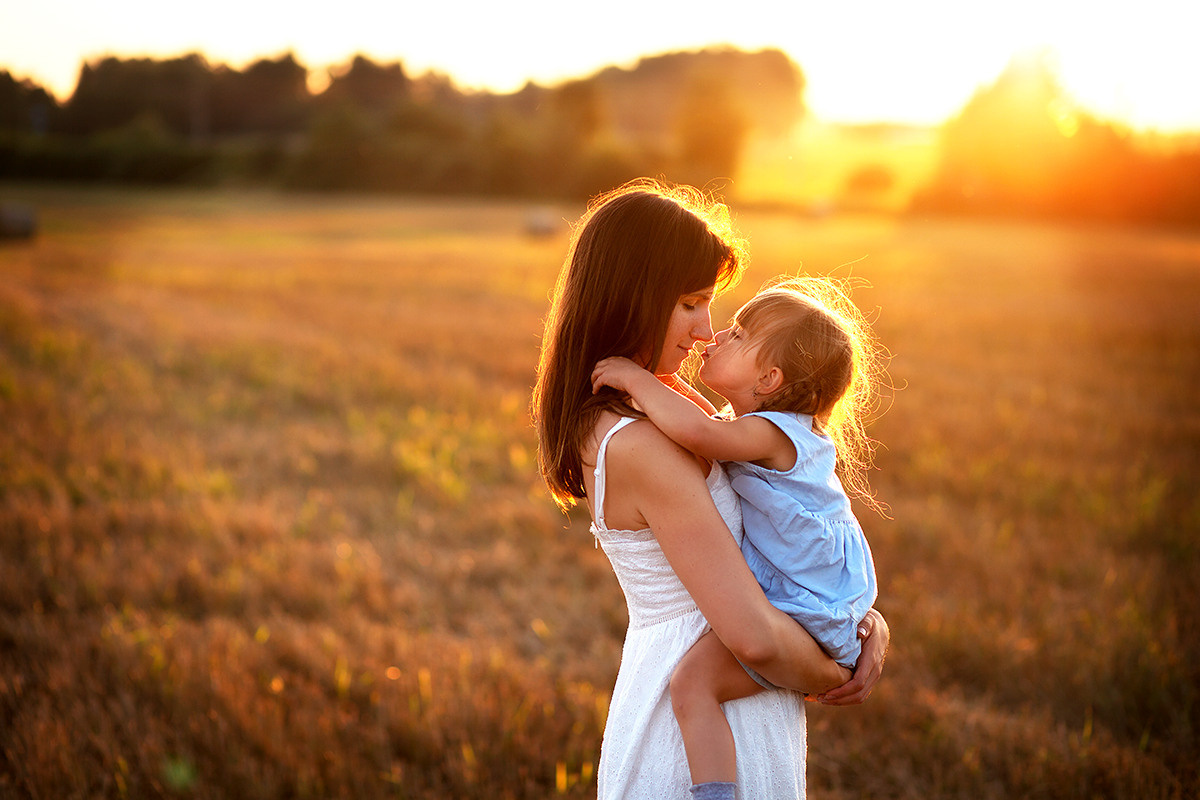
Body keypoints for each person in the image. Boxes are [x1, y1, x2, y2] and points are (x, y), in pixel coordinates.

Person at [532, 179, 889, 799]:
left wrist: (857, 618)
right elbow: (753, 638)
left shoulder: (664, 404)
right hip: (689, 737)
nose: (706, 330)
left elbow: (773, 547)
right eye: (690, 303)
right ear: (633, 296)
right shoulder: (638, 443)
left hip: (734, 702)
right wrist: (838, 666)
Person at [591, 275, 883, 798]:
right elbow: (697, 419)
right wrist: (660, 382)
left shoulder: (770, 432)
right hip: (807, 599)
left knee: (692, 683)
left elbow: (697, 431)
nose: (716, 333)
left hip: (800, 610)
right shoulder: (755, 426)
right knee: (695, 683)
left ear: (769, 379)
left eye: (740, 334)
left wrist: (636, 379)